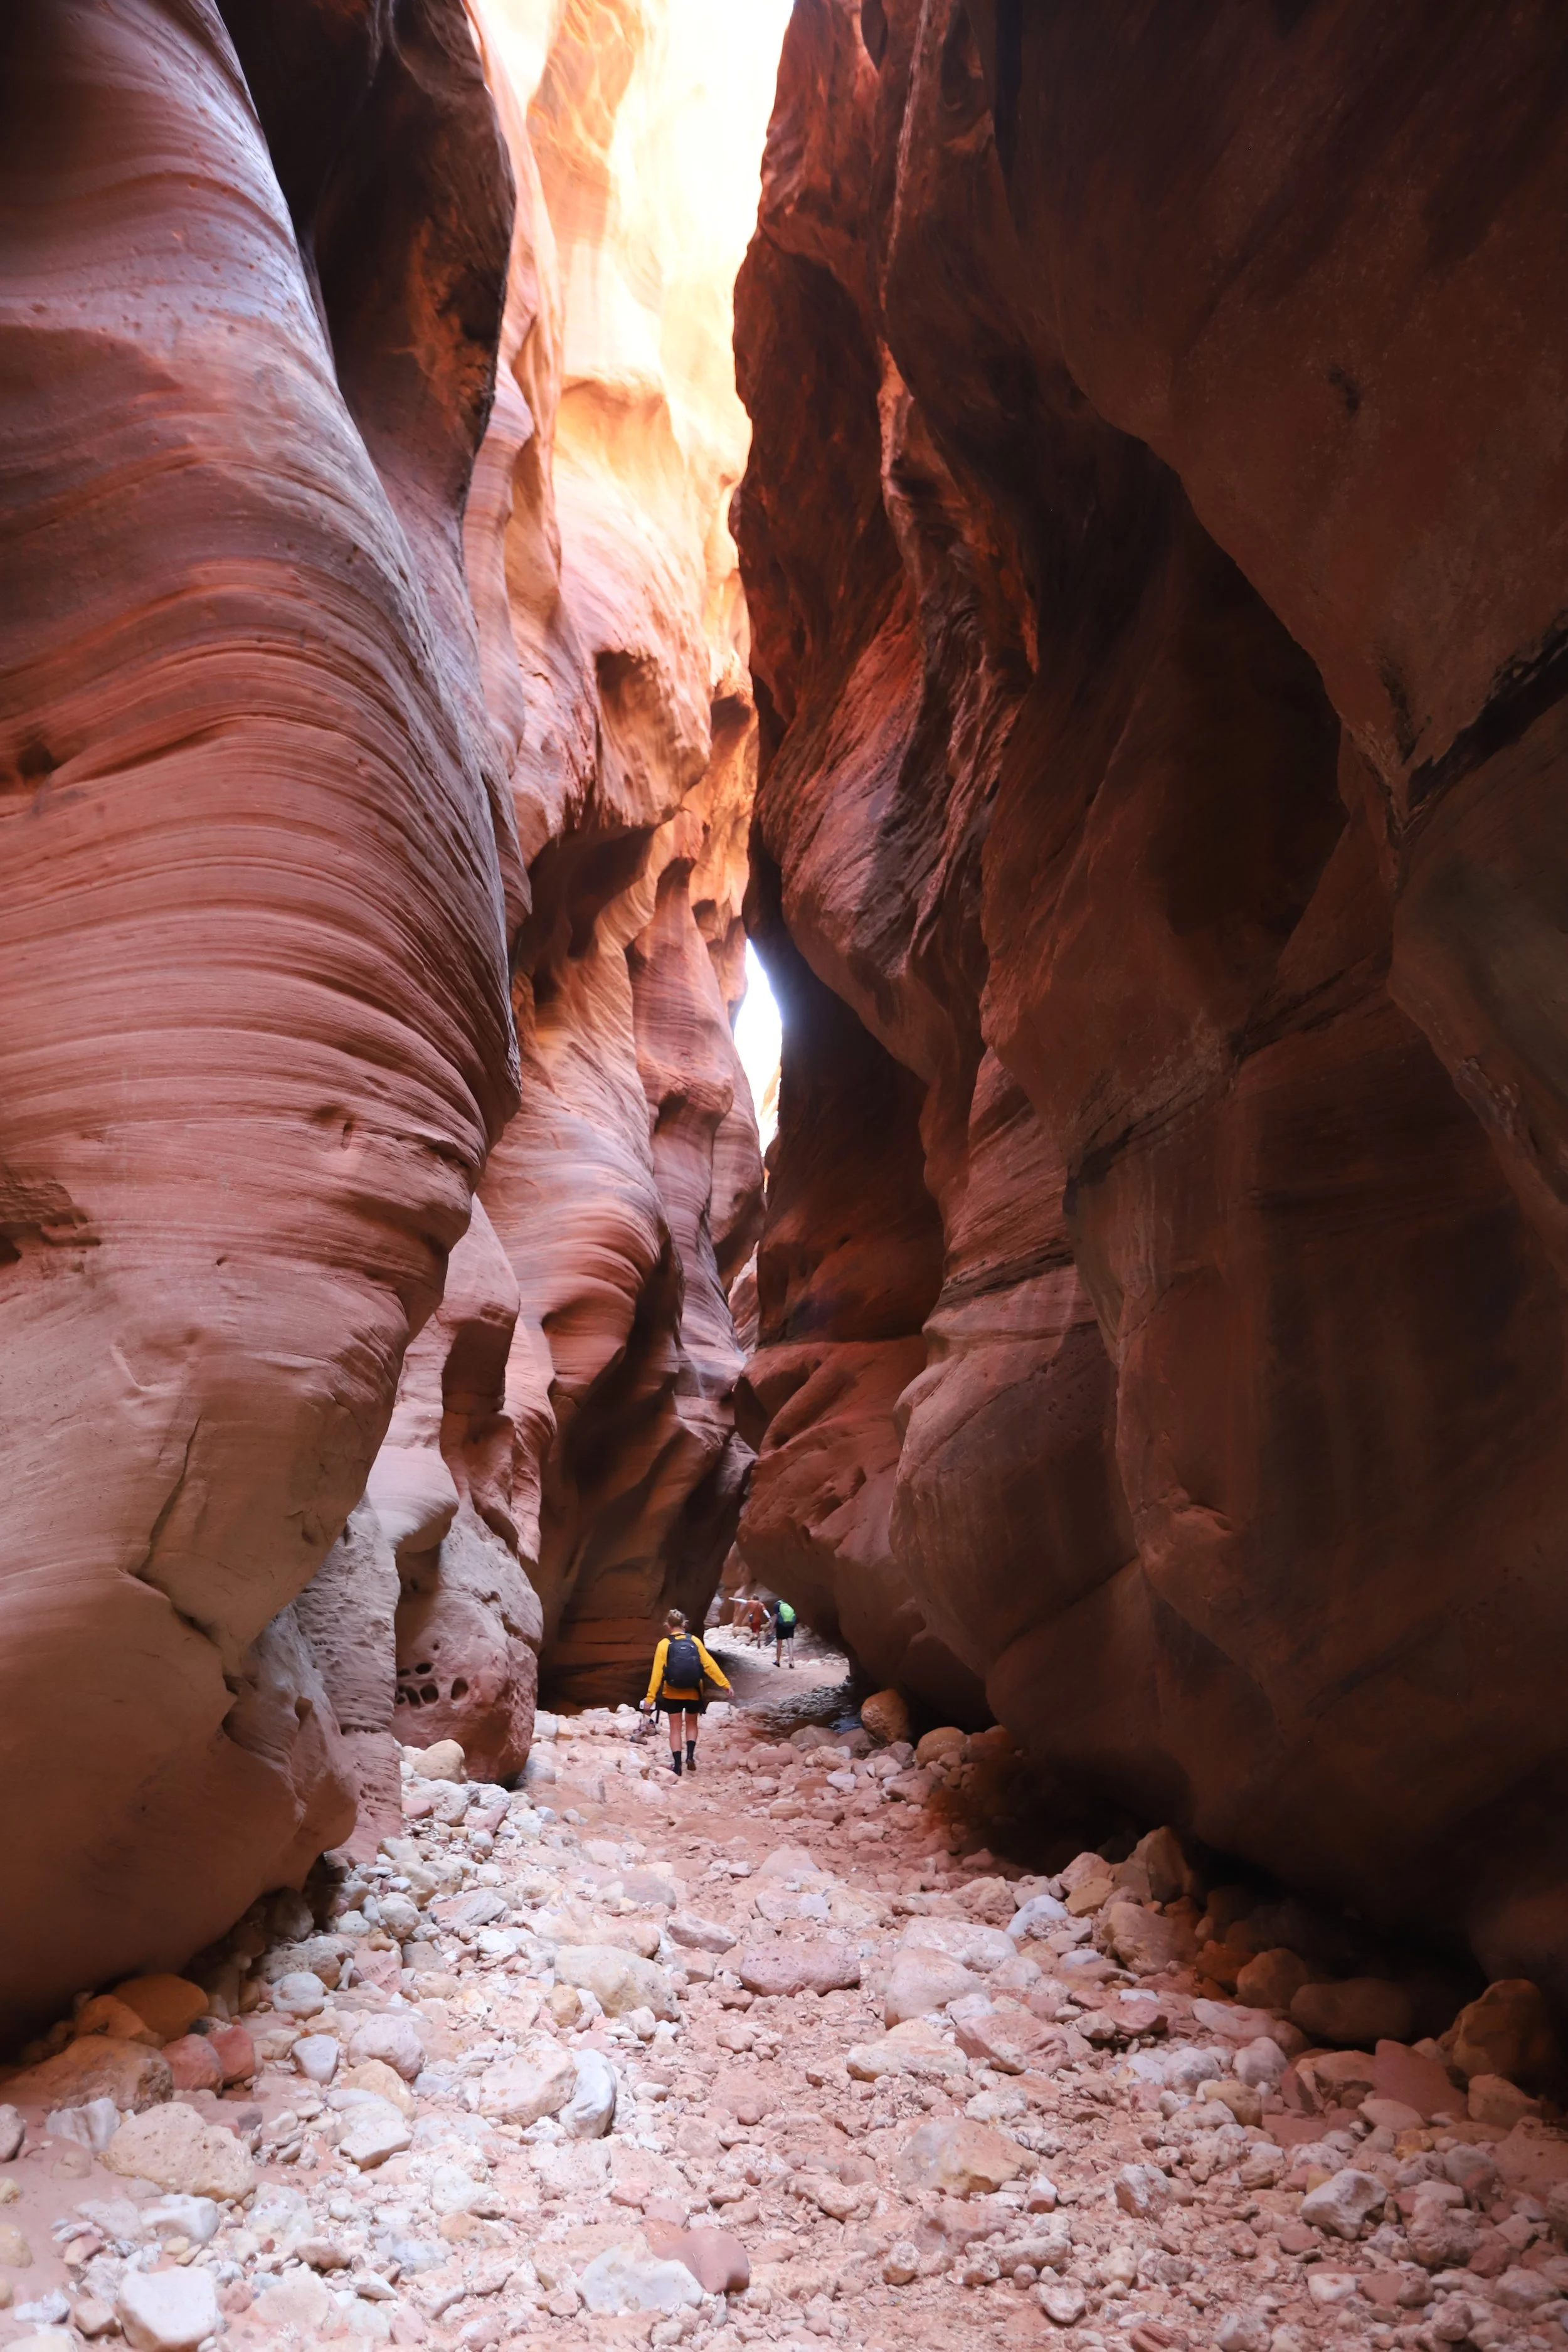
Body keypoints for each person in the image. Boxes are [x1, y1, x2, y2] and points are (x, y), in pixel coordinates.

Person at [640, 1608, 731, 1776]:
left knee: (675, 1728)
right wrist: (724, 1684)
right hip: (693, 1692)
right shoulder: (694, 1641)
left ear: (668, 1626)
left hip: (671, 1693)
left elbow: (657, 1674)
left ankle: (677, 1765)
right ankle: (690, 1756)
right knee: (691, 1724)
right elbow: (709, 1665)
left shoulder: (664, 1645)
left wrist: (650, 1697)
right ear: (684, 1624)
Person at [773, 1596, 797, 1668]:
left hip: (780, 1625)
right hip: (790, 1625)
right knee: (790, 1644)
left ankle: (778, 1662)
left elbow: (775, 1617)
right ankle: (791, 1662)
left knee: (779, 1644)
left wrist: (771, 1628)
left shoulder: (777, 1604)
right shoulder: (793, 1603)